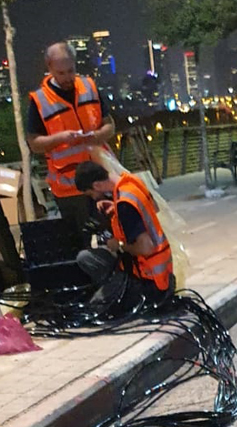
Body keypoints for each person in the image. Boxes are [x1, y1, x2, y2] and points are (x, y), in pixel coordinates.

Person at [27, 42, 116, 230]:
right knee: (79, 240)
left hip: (101, 179)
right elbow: (34, 143)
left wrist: (98, 135)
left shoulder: (89, 87)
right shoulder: (40, 100)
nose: (68, 77)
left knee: (114, 234)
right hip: (69, 188)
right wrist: (61, 138)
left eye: (71, 70)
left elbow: (109, 125)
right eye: (61, 73)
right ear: (49, 68)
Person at [72, 160, 174, 303]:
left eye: (91, 194)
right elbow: (153, 208)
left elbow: (146, 247)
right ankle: (116, 284)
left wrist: (118, 244)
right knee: (85, 257)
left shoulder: (125, 205)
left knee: (95, 306)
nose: (94, 198)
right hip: (165, 277)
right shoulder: (132, 183)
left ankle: (120, 292)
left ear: (97, 185)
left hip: (149, 283)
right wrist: (116, 208)